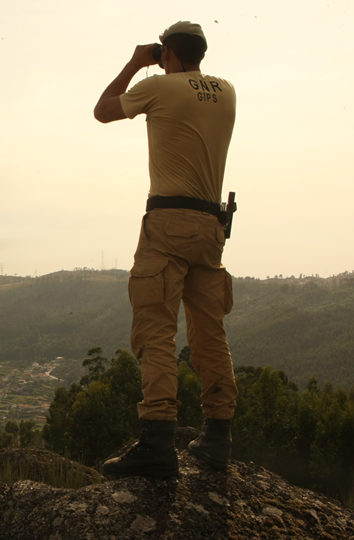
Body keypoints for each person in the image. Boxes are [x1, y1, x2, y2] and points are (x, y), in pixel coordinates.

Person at [94, 21, 238, 478]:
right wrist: (169, 62)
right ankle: (218, 437)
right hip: (210, 227)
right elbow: (193, 85)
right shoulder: (227, 91)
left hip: (168, 222)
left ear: (168, 52)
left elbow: (102, 110)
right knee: (210, 331)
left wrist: (137, 62)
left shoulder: (159, 86)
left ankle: (157, 438)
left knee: (156, 328)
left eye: (162, 53)